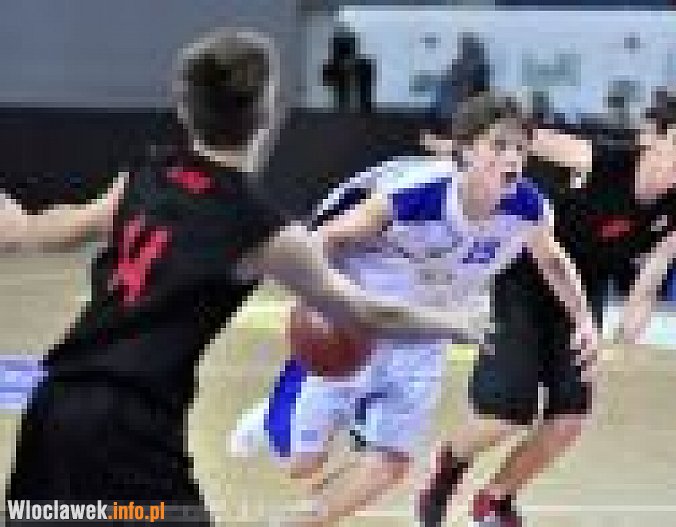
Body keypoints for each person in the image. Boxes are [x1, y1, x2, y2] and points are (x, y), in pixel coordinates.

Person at [2, 29, 475, 526]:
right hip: (131, 424)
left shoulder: (147, 173)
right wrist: (453, 323)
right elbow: (363, 311)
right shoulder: (260, 227)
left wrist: (16, 227)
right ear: (267, 113)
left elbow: (56, 227)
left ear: (184, 109)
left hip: (55, 404)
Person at [230, 93, 598, 527]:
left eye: (519, 147)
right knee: (302, 465)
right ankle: (274, 415)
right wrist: (320, 304)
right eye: (498, 145)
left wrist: (583, 320)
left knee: (390, 465)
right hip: (358, 325)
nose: (512, 158)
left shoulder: (528, 208)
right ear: (466, 151)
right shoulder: (416, 197)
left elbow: (553, 260)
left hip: (424, 333)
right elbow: (323, 238)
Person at [418, 87, 676, 527]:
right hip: (526, 275)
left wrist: (626, 337)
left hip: (582, 295)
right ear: (650, 136)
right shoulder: (598, 160)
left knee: (570, 418)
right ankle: (447, 467)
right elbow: (528, 137)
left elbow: (649, 282)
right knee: (505, 412)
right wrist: (461, 149)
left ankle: (495, 500)